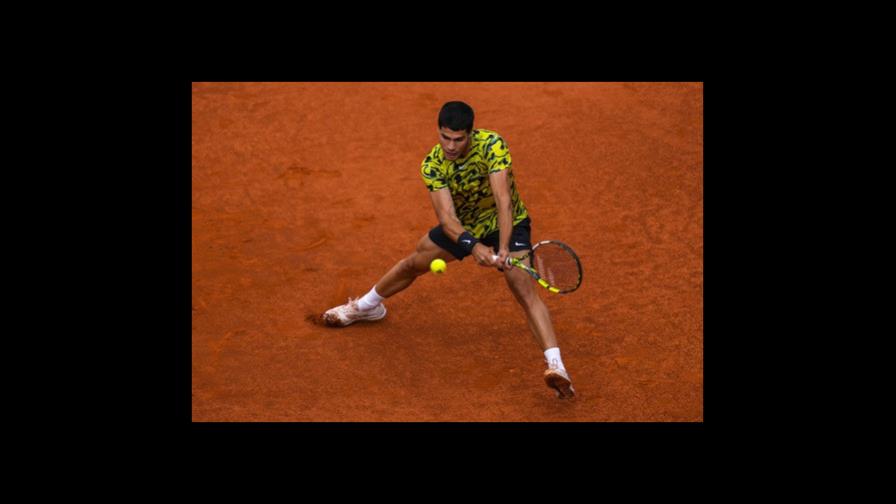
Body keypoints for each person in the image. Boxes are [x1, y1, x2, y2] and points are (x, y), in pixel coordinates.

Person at [322, 101, 575, 399]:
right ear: (439, 132)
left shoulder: (492, 145)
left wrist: (503, 246)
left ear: (471, 133)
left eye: (458, 139)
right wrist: (474, 246)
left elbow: (503, 199)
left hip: (508, 223)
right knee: (414, 263)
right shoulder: (432, 165)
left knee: (522, 288)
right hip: (464, 227)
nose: (451, 146)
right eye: (445, 137)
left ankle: (557, 367)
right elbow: (447, 219)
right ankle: (365, 307)